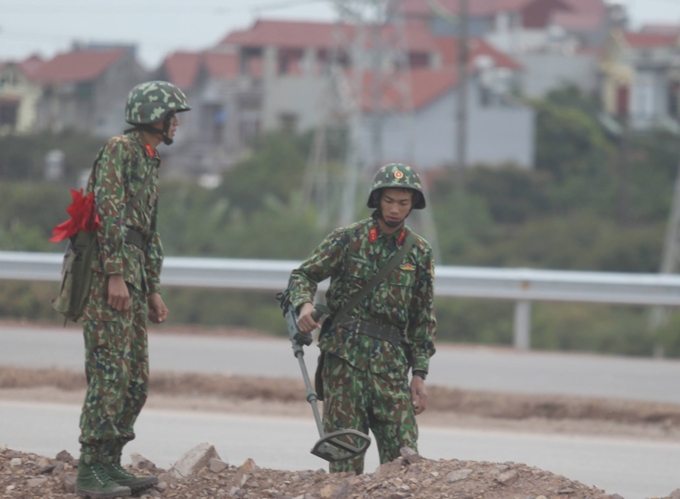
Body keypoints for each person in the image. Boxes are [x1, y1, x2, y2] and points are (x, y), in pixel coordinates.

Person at [75, 81, 190, 498]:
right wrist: (114, 273)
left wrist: (153, 287)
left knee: (134, 380)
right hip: (112, 277)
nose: (176, 123)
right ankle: (90, 469)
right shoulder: (119, 150)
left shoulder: (149, 159)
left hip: (136, 277)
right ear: (153, 117)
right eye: (171, 116)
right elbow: (107, 213)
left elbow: (148, 231)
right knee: (110, 374)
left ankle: (110, 462)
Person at [288, 163, 436, 474]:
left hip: (391, 369)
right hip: (344, 364)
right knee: (344, 466)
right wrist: (304, 306)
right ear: (377, 200)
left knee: (404, 465)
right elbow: (303, 275)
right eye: (389, 201)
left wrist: (419, 374)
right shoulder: (348, 239)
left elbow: (423, 318)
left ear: (413, 205)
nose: (395, 209)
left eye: (403, 203)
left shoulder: (419, 252)